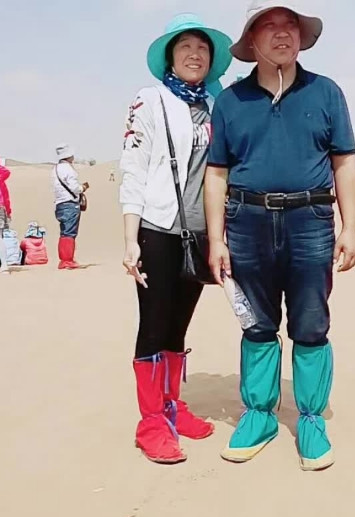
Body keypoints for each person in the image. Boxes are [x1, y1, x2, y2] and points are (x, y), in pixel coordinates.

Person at [205, 1, 355, 471]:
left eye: (289, 24)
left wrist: (350, 227)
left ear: (301, 36)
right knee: (256, 322)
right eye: (268, 26)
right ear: (252, 41)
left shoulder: (326, 92)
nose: (281, 33)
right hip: (246, 221)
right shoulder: (231, 101)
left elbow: (344, 162)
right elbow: (216, 173)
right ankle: (259, 415)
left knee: (311, 323)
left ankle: (311, 419)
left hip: (310, 220)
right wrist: (216, 239)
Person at [120, 14, 233, 464]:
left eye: (202, 48)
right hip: (157, 230)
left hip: (201, 234)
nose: (194, 54)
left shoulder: (216, 103)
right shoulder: (149, 101)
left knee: (179, 325)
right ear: (170, 56)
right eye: (185, 46)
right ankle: (151, 422)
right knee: (154, 323)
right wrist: (130, 238)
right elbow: (133, 169)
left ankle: (171, 405)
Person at [52, 144, 89, 269]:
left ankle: (64, 259)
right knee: (69, 233)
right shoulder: (68, 169)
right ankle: (67, 260)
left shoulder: (55, 169)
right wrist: (83, 187)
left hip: (60, 204)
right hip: (70, 204)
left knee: (64, 232)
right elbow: (75, 188)